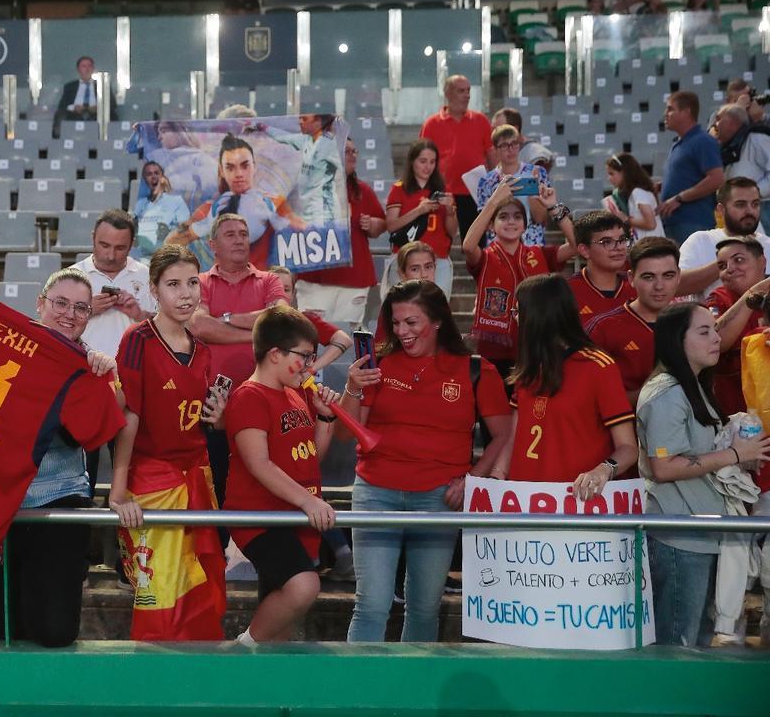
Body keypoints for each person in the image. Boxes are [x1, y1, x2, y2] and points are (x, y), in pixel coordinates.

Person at [340, 280, 512, 642]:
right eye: (396, 322)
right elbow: (347, 433)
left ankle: (410, 694)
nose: (402, 331)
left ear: (437, 321)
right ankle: (356, 692)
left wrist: (474, 480)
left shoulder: (475, 369)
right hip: (375, 493)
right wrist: (352, 386)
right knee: (370, 604)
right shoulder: (377, 364)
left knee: (423, 607)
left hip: (439, 498)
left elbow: (504, 433)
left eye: (411, 322)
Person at [0, 267, 126, 647]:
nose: (70, 314)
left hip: (59, 502)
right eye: (61, 303)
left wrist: (107, 378)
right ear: (40, 305)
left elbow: (112, 421)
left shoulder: (91, 367)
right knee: (1, 629)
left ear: (90, 316)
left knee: (54, 630)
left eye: (81, 308)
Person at [109, 245, 228, 640]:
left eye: (192, 283)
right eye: (173, 284)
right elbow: (129, 415)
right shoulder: (137, 340)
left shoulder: (205, 351)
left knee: (199, 592)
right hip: (152, 482)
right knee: (159, 595)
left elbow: (201, 421)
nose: (186, 293)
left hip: (197, 477)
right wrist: (119, 488)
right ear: (154, 290)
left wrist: (219, 417)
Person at [638, 302, 770, 646]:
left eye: (714, 329)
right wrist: (735, 453)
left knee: (698, 643)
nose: (716, 337)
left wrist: (738, 459)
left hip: (702, 534)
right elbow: (664, 467)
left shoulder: (694, 387)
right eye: (704, 331)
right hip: (680, 538)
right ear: (676, 341)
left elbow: (699, 456)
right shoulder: (666, 392)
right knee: (679, 644)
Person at [224, 305, 341, 645]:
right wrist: (308, 501)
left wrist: (325, 418)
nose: (309, 366)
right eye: (304, 356)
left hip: (293, 513)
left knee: (283, 617)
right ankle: (243, 649)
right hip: (260, 515)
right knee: (304, 585)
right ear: (275, 353)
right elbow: (258, 464)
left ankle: (265, 681)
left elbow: (312, 456)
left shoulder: (296, 393)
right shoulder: (249, 396)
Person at [491, 274, 640, 502]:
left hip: (576, 504)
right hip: (523, 503)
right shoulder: (529, 367)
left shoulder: (598, 366)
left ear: (540, 315)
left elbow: (628, 447)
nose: (516, 320)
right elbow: (514, 437)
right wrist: (495, 479)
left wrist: (604, 469)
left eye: (519, 312)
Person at [189, 213, 288, 511]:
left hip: (264, 398)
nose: (239, 239)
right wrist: (258, 336)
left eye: (243, 233)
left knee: (264, 478)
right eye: (230, 234)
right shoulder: (201, 282)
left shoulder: (269, 279)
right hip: (212, 398)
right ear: (213, 245)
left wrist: (226, 321)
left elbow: (280, 318)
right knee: (217, 481)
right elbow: (198, 327)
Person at [462, 182, 575, 382]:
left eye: (517, 217)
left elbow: (576, 245)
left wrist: (553, 207)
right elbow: (469, 246)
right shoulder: (484, 258)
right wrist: (494, 201)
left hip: (538, 345)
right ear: (491, 224)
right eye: (503, 216)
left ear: (525, 224)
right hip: (496, 350)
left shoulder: (541, 254)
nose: (511, 222)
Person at [169, 134, 303, 271]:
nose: (239, 174)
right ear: (221, 171)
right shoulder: (212, 209)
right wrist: (204, 226)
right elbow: (170, 244)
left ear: (254, 167)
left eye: (245, 166)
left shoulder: (275, 203)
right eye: (230, 167)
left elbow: (308, 241)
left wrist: (279, 223)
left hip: (264, 288)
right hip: (225, 287)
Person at [296, 137, 388, 326]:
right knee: (312, 335)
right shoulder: (307, 189)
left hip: (354, 279)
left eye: (354, 151)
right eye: (347, 151)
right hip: (316, 280)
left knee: (349, 339)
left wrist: (372, 224)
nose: (352, 155)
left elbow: (381, 224)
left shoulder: (362, 190)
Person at [587, 237, 681, 405]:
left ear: (679, 276)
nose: (659, 286)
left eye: (668, 276)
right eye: (649, 277)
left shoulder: (691, 322)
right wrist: (653, 391)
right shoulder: (603, 329)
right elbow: (588, 397)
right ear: (631, 278)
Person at [71, 210, 155, 359]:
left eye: (120, 248)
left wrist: (140, 315)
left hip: (136, 369)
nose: (111, 256)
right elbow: (52, 328)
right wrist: (86, 310)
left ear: (132, 245)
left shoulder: (147, 276)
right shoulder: (71, 276)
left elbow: (169, 326)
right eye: (104, 245)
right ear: (93, 238)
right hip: (85, 368)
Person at [419, 75, 496, 237]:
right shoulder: (431, 124)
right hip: (444, 193)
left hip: (476, 193)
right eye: (461, 91)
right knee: (441, 240)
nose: (467, 95)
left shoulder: (481, 120)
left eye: (468, 90)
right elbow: (421, 158)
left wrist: (495, 186)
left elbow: (492, 155)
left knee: (477, 244)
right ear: (448, 93)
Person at [385, 139, 458, 295]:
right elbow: (391, 226)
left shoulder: (442, 190)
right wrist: (419, 211)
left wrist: (451, 212)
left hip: (438, 259)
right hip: (406, 259)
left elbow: (452, 232)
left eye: (432, 162)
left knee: (437, 309)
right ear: (412, 161)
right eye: (423, 161)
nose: (428, 167)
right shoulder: (399, 189)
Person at [677, 177, 770, 298]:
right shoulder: (701, 241)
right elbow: (675, 286)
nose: (750, 211)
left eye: (755, 204)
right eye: (740, 205)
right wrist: (726, 263)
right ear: (721, 210)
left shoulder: (768, 244)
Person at [705, 237, 767, 416]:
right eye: (722, 266)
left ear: (762, 262)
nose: (729, 269)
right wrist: (752, 295)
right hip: (735, 415)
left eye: (738, 260)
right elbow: (716, 341)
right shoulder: (717, 300)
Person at [658, 91, 725, 245]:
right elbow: (689, 177)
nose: (665, 114)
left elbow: (716, 179)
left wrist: (679, 197)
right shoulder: (679, 143)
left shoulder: (703, 141)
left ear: (686, 111)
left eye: (670, 109)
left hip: (693, 223)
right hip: (675, 223)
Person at [475, 124, 550, 246]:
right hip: (498, 247)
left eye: (514, 144)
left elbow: (540, 218)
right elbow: (485, 223)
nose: (511, 149)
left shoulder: (536, 173)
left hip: (531, 244)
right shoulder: (487, 181)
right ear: (495, 150)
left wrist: (533, 192)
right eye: (504, 145)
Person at [269, 265, 352, 374]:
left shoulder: (304, 319)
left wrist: (311, 369)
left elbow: (344, 340)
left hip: (300, 389)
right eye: (275, 289)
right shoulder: (252, 322)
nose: (280, 295)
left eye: (286, 289)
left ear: (293, 294)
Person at [567, 211, 638, 325]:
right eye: (607, 242)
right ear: (584, 250)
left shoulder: (638, 286)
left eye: (622, 240)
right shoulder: (567, 292)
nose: (619, 247)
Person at [714, 105, 770, 231]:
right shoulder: (727, 146)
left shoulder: (758, 139)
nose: (715, 125)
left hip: (763, 209)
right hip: (741, 211)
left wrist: (752, 194)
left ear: (733, 122)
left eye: (719, 119)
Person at [133, 162, 190, 259]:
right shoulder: (140, 204)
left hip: (168, 258)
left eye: (156, 173)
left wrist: (169, 232)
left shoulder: (176, 201)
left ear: (162, 177)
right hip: (143, 259)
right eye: (149, 174)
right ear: (145, 179)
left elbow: (186, 230)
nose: (153, 177)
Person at [603, 153, 664, 238]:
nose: (609, 178)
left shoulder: (638, 192)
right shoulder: (633, 193)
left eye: (612, 173)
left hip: (652, 245)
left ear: (624, 173)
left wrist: (626, 219)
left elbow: (651, 224)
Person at [54, 55, 116, 136]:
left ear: (93, 69)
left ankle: (107, 143)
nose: (87, 69)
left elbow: (113, 105)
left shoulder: (102, 86)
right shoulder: (70, 86)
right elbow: (62, 105)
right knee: (60, 114)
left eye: (89, 66)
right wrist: (74, 107)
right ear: (78, 69)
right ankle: (58, 143)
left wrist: (99, 108)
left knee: (112, 115)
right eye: (83, 66)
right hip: (74, 114)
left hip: (96, 114)